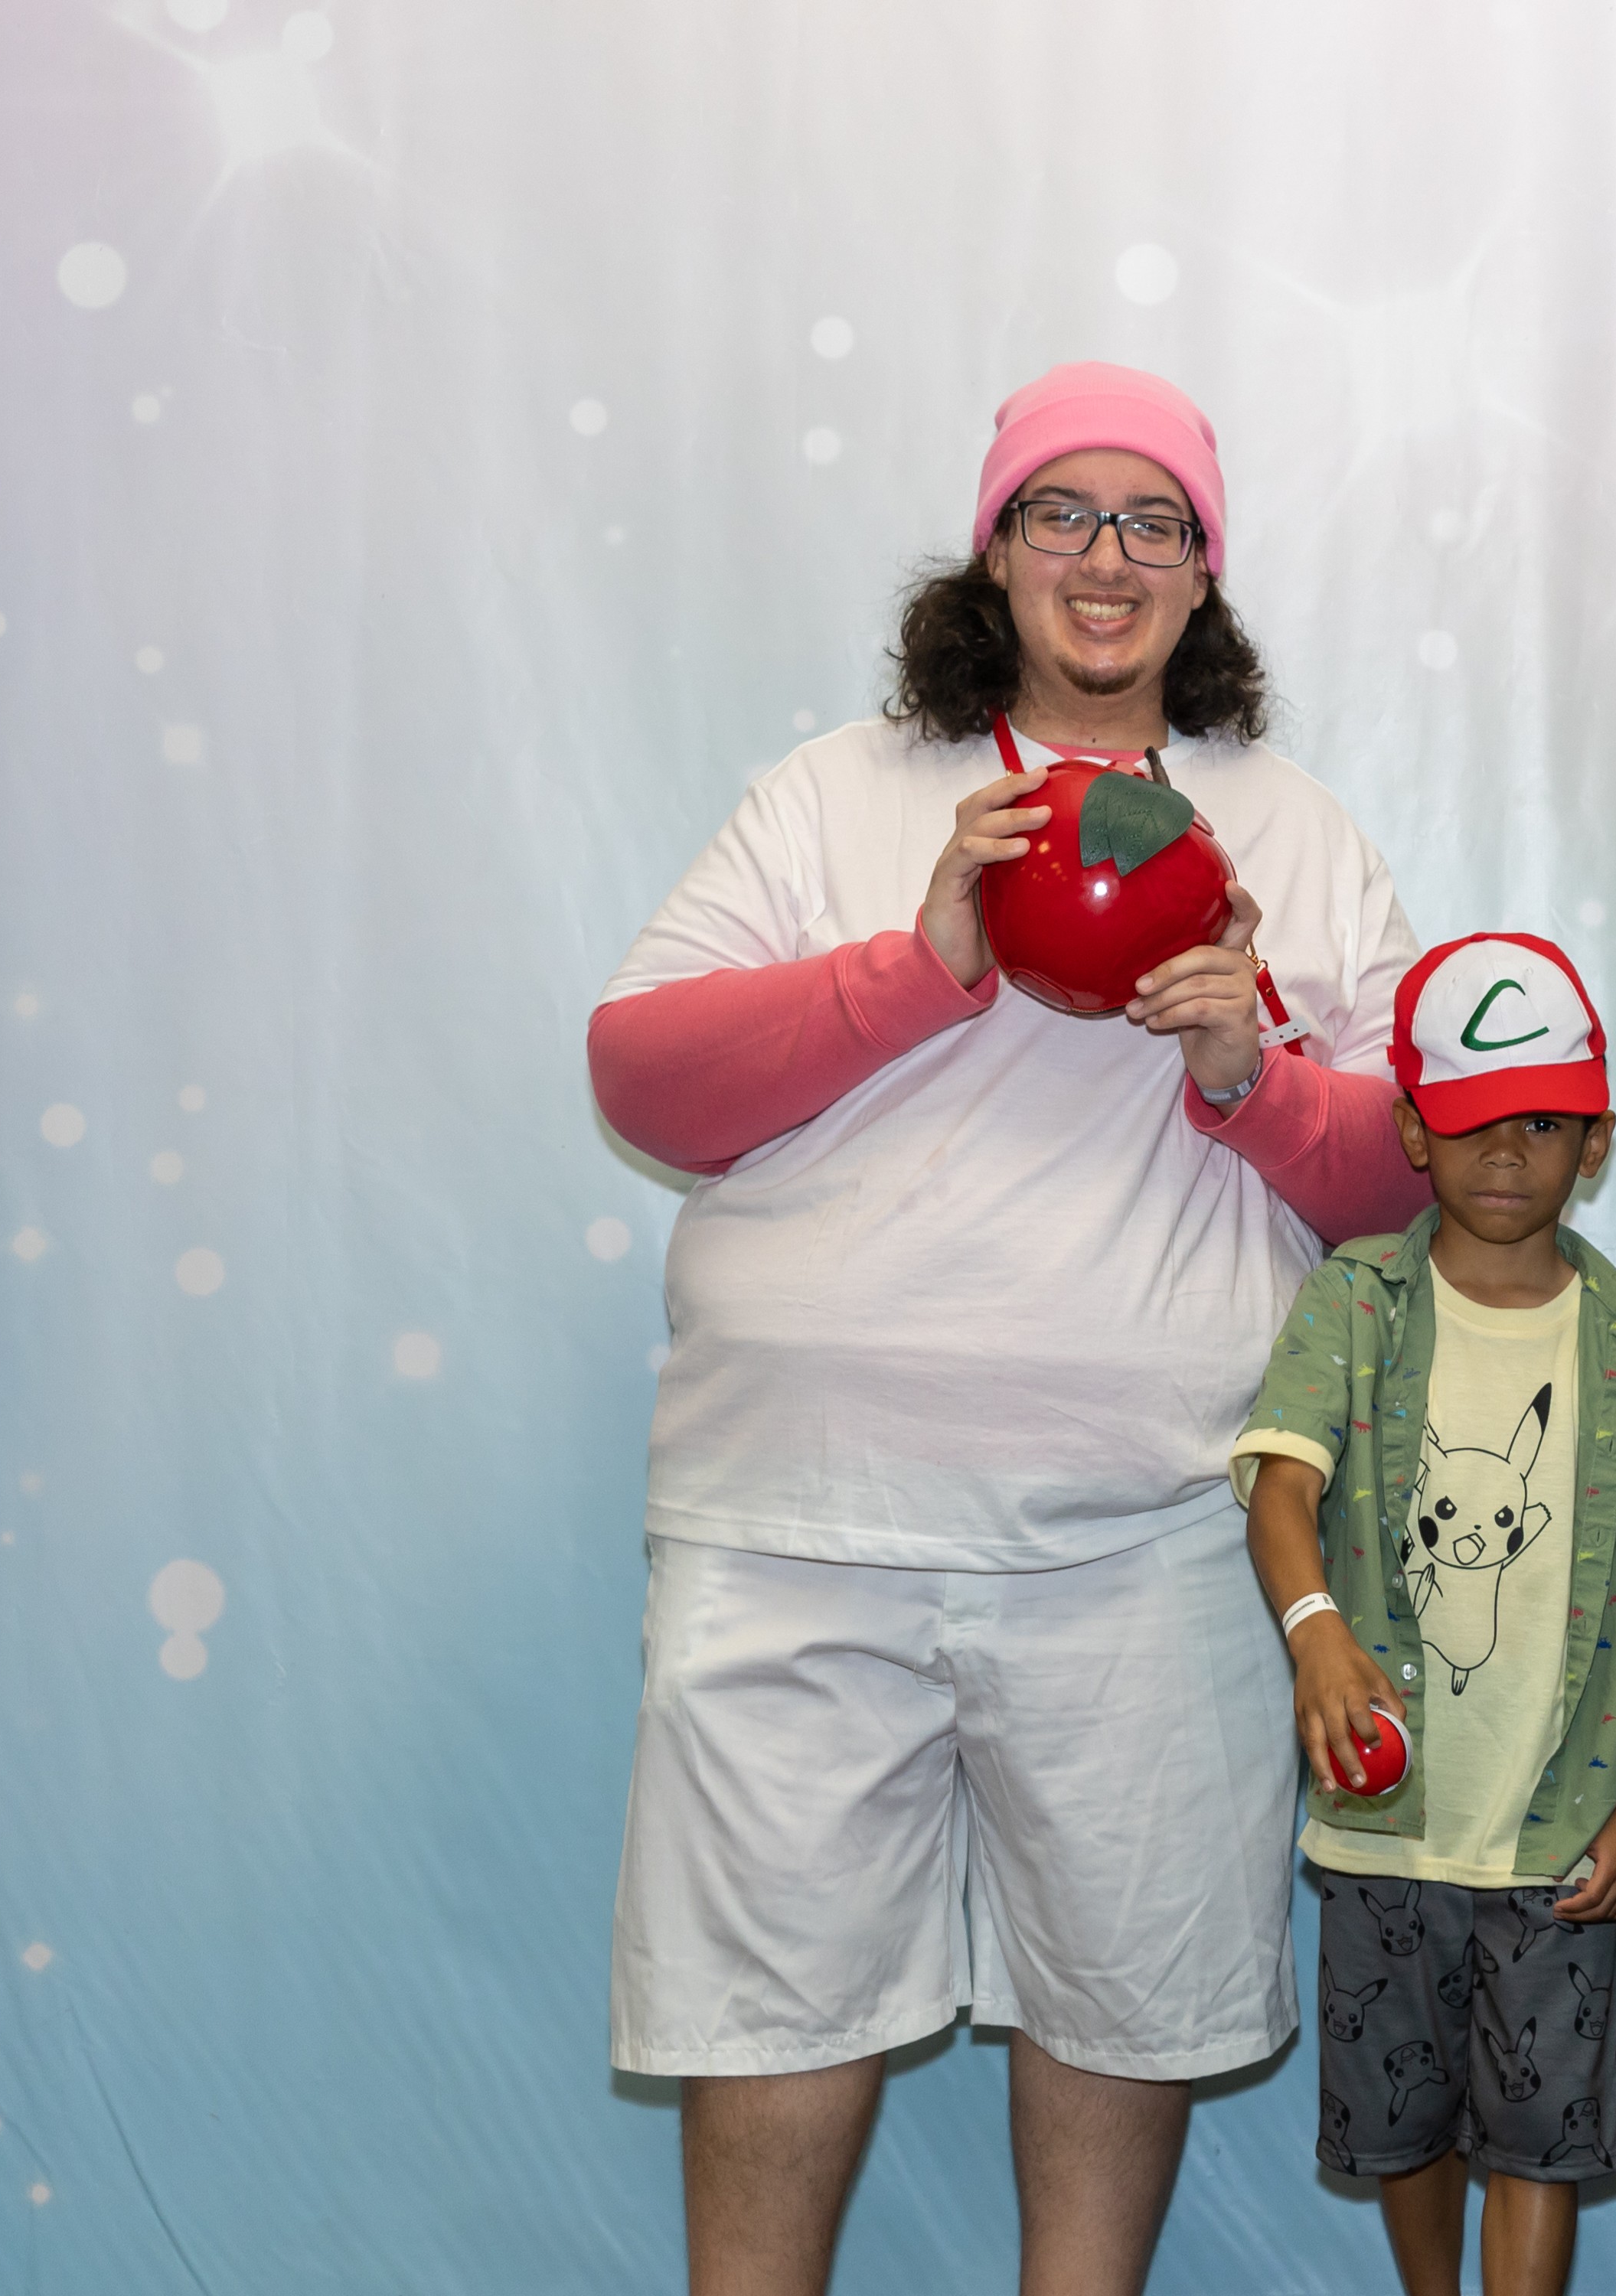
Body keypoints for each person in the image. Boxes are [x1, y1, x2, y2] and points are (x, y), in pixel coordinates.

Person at [589, 360, 1430, 2294]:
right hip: (798, 1523)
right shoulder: (834, 793)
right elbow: (644, 1079)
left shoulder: (1290, 831)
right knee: (768, 2006)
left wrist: (1252, 1072)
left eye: (1154, 522)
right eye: (1063, 512)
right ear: (996, 551)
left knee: (1124, 2000)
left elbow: (1415, 1177)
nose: (1106, 557)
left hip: (1151, 1534)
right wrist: (918, 963)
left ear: (1204, 573)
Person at [1235, 929, 1616, 2296]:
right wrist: (1316, 1630)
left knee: (1542, 2138)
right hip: (1387, 1816)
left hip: (1562, 1827)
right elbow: (1281, 1490)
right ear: (1413, 1129)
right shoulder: (1356, 1303)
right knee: (1402, 2123)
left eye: (1544, 1123)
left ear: (1597, 1141)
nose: (1507, 1153)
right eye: (1470, 1122)